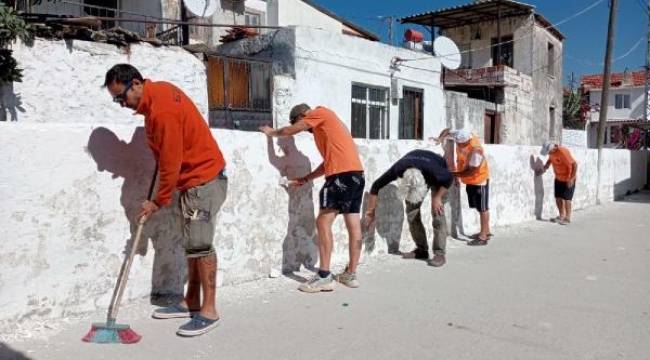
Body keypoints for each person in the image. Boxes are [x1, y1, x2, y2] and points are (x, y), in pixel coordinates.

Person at [104, 64, 228, 337]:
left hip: (202, 180)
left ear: (135, 83)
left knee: (200, 244)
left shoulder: (162, 110)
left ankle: (209, 311)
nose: (122, 104)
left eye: (121, 97)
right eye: (117, 100)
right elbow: (167, 155)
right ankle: (191, 301)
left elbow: (171, 161)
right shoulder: (156, 100)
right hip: (194, 180)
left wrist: (157, 202)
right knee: (192, 242)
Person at [260, 103, 364, 293]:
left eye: (304, 124)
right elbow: (328, 162)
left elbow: (293, 129)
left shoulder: (319, 112)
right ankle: (351, 274)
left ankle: (324, 276)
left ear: (303, 115)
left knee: (323, 223)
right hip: (356, 175)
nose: (308, 130)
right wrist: (306, 179)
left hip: (340, 177)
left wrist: (272, 133)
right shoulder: (330, 127)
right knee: (354, 225)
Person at [365, 150, 453, 267]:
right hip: (417, 174)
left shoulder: (436, 172)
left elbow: (449, 178)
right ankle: (421, 250)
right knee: (412, 213)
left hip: (440, 180)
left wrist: (437, 197)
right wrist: (370, 213)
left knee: (438, 214)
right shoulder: (398, 169)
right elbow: (375, 186)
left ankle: (440, 253)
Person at [437, 128, 492, 246]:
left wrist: (454, 175)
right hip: (469, 180)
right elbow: (447, 130)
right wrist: (440, 138)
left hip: (479, 180)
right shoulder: (461, 135)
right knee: (478, 206)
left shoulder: (476, 150)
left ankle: (483, 237)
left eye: (460, 144)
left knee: (483, 208)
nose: (457, 144)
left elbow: (472, 171)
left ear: (467, 141)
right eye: (456, 142)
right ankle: (486, 231)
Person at [539, 140, 578, 225]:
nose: (548, 153)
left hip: (568, 178)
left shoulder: (563, 152)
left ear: (552, 148)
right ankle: (561, 216)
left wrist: (571, 178)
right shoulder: (551, 153)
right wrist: (546, 167)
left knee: (567, 199)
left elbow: (574, 164)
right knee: (558, 198)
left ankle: (567, 218)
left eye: (548, 151)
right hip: (558, 178)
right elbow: (551, 159)